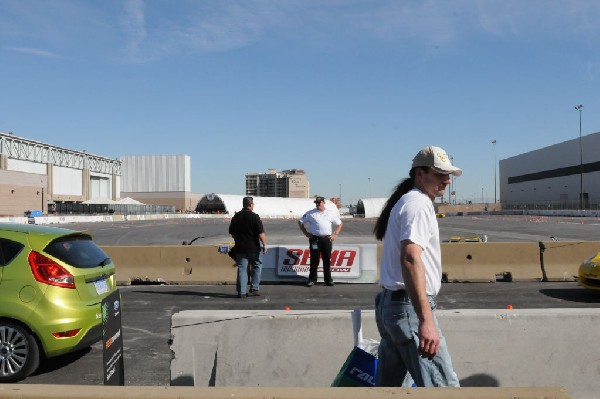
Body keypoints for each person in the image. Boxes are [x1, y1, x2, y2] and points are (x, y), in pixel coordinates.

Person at [373, 145, 461, 387]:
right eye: (441, 174)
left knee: (389, 390)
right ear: (419, 174)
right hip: (408, 310)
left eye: (449, 175)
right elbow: (411, 258)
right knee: (443, 389)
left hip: (394, 307)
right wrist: (426, 319)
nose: (447, 181)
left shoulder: (407, 201)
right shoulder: (419, 204)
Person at [298, 196, 343, 287]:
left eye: (319, 203)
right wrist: (306, 233)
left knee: (327, 260)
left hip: (326, 240)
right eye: (316, 203)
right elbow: (300, 221)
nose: (318, 204)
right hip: (315, 240)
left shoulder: (330, 213)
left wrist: (335, 234)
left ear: (323, 203)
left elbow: (340, 224)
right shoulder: (311, 213)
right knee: (314, 260)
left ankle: (328, 280)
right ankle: (312, 280)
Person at [228, 197, 267, 298]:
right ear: (250, 205)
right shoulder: (255, 217)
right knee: (257, 266)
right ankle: (254, 287)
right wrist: (264, 245)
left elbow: (232, 234)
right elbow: (261, 233)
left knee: (242, 269)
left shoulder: (236, 217)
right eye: (253, 204)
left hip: (240, 248)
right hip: (254, 248)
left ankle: (241, 292)